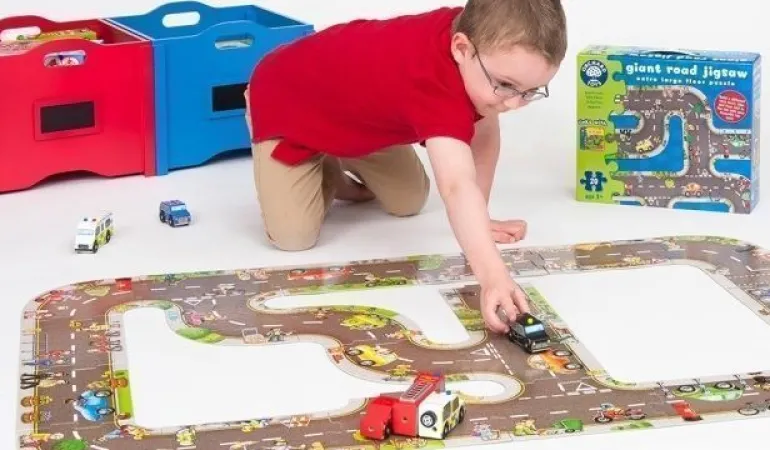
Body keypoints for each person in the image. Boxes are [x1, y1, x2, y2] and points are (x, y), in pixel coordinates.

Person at [244, 0, 567, 333]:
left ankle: (338, 156)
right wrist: (493, 276)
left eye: (530, 92)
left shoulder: (478, 42)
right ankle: (323, 161)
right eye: (506, 85)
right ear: (461, 49)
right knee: (293, 237)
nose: (513, 103)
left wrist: (480, 219)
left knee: (409, 199)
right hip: (288, 98)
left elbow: (483, 135)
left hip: (364, 118)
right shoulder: (434, 82)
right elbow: (456, 185)